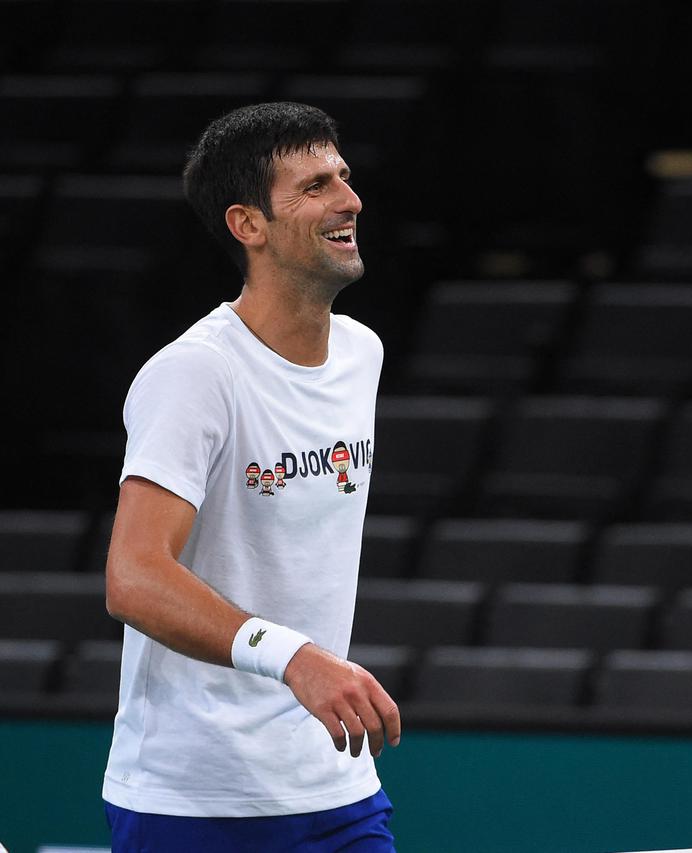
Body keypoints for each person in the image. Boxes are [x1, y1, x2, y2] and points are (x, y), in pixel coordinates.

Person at [102, 102, 400, 851]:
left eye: (345, 177)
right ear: (248, 224)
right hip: (193, 799)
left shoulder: (362, 353)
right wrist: (293, 656)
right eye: (315, 185)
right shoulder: (196, 374)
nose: (349, 199)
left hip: (338, 786)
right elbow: (133, 576)